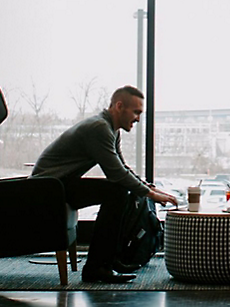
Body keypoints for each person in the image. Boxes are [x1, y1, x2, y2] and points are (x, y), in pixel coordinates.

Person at [32, 85, 178, 283]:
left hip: (60, 184)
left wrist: (151, 189)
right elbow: (116, 173)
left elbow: (122, 167)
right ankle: (97, 268)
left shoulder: (110, 129)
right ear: (119, 106)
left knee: (120, 189)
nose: (138, 118)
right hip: (47, 188)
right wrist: (150, 195)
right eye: (136, 112)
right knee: (117, 191)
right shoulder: (99, 128)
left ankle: (107, 262)